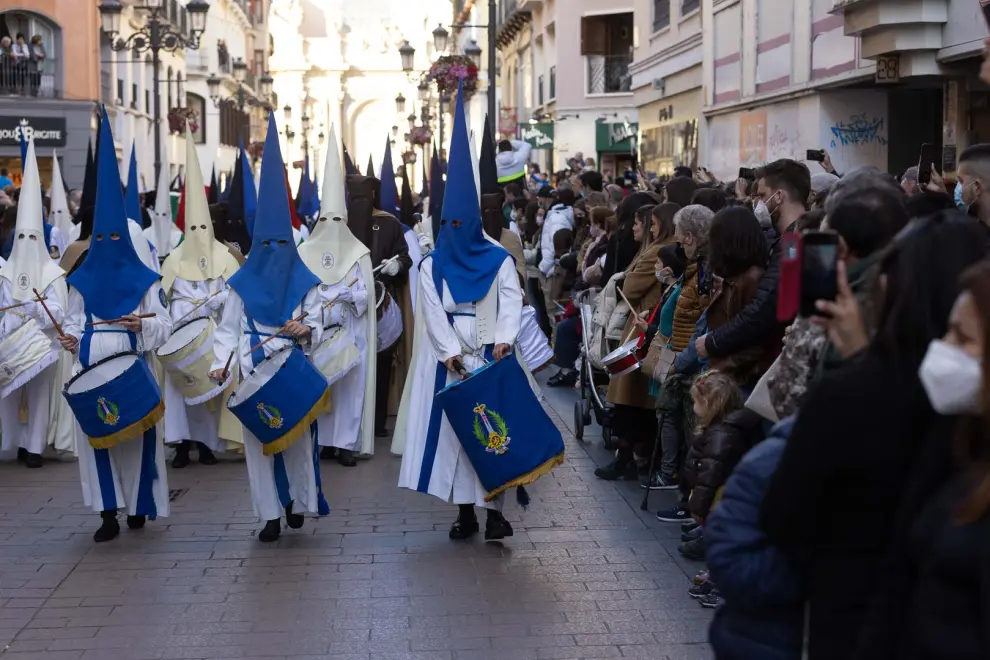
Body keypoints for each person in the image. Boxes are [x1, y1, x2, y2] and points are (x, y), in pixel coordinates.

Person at [761, 209, 987, 659]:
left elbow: (783, 514)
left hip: (850, 615)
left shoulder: (865, 397)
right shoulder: (957, 412)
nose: (949, 349)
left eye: (963, 336)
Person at [395, 88, 521, 541]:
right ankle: (465, 512)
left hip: (491, 348)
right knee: (456, 437)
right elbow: (431, 311)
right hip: (448, 356)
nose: (454, 233)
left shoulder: (499, 258)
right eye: (447, 224)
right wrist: (450, 353)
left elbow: (512, 301)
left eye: (460, 225)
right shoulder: (432, 264)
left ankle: (495, 515)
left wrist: (504, 339)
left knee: (494, 431)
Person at [208, 116, 328, 543]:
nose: (275, 254)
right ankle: (270, 515)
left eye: (282, 245)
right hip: (253, 372)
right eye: (268, 246)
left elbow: (318, 321)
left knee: (296, 442)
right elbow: (227, 328)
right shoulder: (240, 284)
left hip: (292, 371)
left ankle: (296, 502)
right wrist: (220, 365)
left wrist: (305, 329)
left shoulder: (306, 280)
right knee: (260, 447)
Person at [60, 113, 173, 543]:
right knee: (99, 438)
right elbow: (72, 321)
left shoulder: (145, 281)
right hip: (91, 362)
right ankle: (107, 512)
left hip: (130, 358)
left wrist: (140, 327)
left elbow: (163, 323)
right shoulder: (81, 279)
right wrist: (71, 341)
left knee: (138, 436)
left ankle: (139, 505)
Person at [159, 130, 240, 468]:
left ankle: (207, 444)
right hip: (181, 337)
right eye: (192, 229)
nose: (198, 236)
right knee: (180, 393)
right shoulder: (173, 260)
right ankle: (181, 445)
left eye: (202, 229)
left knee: (209, 391)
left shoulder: (225, 256)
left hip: (211, 337)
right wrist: (182, 310)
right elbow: (164, 298)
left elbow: (233, 296)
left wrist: (216, 301)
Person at [300, 126, 376, 467]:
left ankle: (346, 442)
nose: (331, 224)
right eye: (325, 218)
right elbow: (299, 293)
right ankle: (323, 442)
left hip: (350, 328)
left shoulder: (358, 252)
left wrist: (350, 294)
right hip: (316, 331)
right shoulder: (305, 252)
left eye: (336, 218)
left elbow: (366, 294)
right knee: (321, 385)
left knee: (349, 387)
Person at [697, 159, 809, 364]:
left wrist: (714, 341)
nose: (757, 203)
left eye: (762, 196)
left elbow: (765, 306)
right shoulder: (788, 238)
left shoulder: (794, 242)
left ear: (779, 197)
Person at [595, 202, 675, 480]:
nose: (642, 229)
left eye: (650, 224)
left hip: (644, 330)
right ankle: (638, 458)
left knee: (630, 400)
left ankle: (627, 458)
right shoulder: (656, 250)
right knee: (640, 403)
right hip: (648, 327)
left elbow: (629, 286)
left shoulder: (656, 252)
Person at [0, 138, 67, 469]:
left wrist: (34, 310)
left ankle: (35, 447)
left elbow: (58, 311)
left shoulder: (53, 272)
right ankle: (12, 442)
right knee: (9, 395)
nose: (26, 243)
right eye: (21, 237)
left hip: (41, 345)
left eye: (32, 237)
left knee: (39, 398)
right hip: (9, 344)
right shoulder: (4, 271)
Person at [346, 173, 413, 438]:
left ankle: (377, 420)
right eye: (356, 198)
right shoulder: (335, 224)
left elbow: (404, 257)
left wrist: (397, 265)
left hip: (381, 302)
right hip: (345, 306)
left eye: (365, 197)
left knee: (382, 362)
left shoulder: (389, 224)